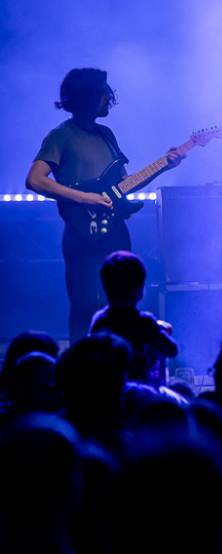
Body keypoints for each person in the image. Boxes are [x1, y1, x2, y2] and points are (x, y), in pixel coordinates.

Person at [26, 68, 183, 343]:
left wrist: (164, 166)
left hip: (115, 230)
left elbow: (124, 185)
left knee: (124, 304)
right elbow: (35, 180)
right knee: (85, 305)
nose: (109, 98)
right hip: (80, 233)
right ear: (89, 97)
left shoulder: (106, 134)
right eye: (104, 93)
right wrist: (84, 198)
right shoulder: (61, 136)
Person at [88, 251, 178, 387]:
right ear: (140, 290)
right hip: (140, 394)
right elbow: (172, 350)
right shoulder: (144, 322)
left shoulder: (100, 320)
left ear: (105, 288)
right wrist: (160, 330)